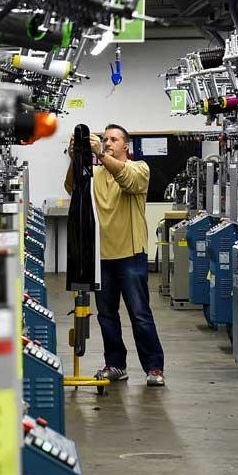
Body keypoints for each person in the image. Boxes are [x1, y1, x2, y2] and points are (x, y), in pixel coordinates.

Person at [64, 124, 166, 386]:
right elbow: (72, 187)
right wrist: (76, 158)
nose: (108, 142)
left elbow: (127, 180)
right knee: (106, 315)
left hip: (131, 255)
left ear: (126, 146)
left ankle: (154, 367)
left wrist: (100, 153)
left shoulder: (139, 168)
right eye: (105, 139)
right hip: (101, 258)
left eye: (113, 139)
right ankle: (116, 364)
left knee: (140, 314)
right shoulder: (96, 173)